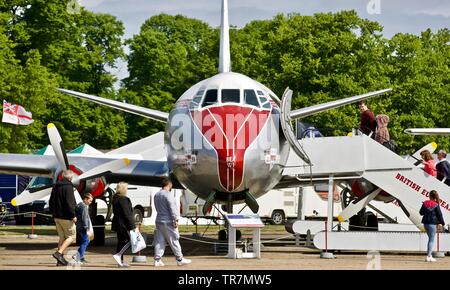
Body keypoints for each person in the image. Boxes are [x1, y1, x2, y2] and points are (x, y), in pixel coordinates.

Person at [153, 178, 191, 267]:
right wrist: (175, 219)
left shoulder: (157, 194)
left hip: (159, 220)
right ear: (169, 185)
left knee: (159, 241)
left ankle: (157, 260)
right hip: (168, 221)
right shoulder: (168, 195)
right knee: (174, 239)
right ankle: (179, 259)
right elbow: (172, 208)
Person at [48, 170, 77, 266]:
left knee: (62, 237)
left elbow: (51, 201)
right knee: (71, 237)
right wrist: (72, 215)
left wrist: (53, 213)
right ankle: (59, 253)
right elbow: (70, 203)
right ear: (70, 178)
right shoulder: (68, 187)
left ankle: (59, 261)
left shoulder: (56, 186)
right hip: (66, 216)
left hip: (56, 216)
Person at [112, 182, 138, 267]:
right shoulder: (124, 199)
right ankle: (119, 255)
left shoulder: (115, 198)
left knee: (121, 242)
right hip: (123, 224)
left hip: (117, 223)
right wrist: (133, 226)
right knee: (130, 241)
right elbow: (127, 214)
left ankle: (120, 261)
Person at [419, 190, 445, 262]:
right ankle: (428, 256)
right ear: (435, 196)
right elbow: (440, 215)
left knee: (430, 239)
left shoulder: (425, 203)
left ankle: (430, 255)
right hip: (432, 224)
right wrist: (443, 223)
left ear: (429, 196)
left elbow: (421, 213)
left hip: (425, 224)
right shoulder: (436, 204)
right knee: (431, 240)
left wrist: (426, 210)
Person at [74, 193, 93, 264]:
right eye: (90, 201)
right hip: (83, 227)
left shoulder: (79, 205)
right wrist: (87, 228)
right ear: (85, 199)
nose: (90, 202)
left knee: (84, 241)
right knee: (86, 241)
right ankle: (78, 256)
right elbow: (84, 218)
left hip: (79, 226)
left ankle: (81, 257)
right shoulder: (84, 206)